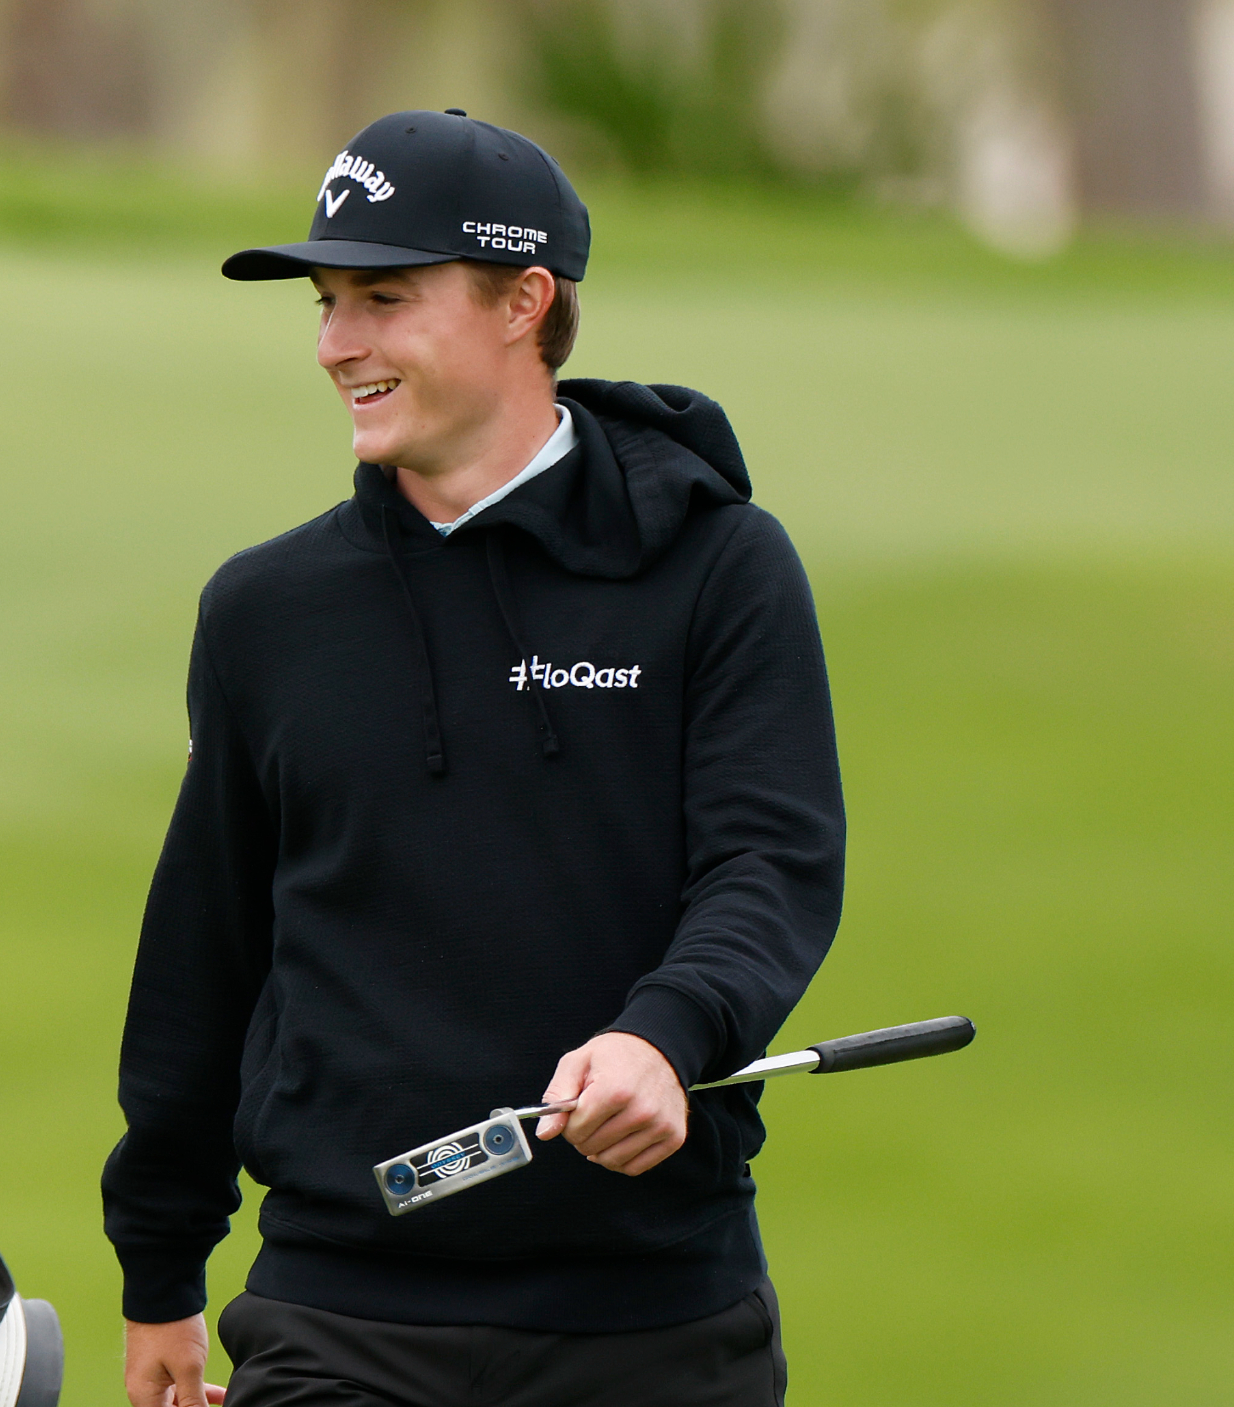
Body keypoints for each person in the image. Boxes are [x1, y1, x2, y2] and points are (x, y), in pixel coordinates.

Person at [102, 110, 844, 1407]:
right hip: (342, 1313)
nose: (338, 345)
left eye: (383, 299)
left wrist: (666, 1039)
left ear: (524, 300)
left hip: (658, 1315)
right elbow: (203, 955)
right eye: (328, 304)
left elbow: (769, 865)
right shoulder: (267, 612)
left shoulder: (720, 568)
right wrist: (161, 1268)